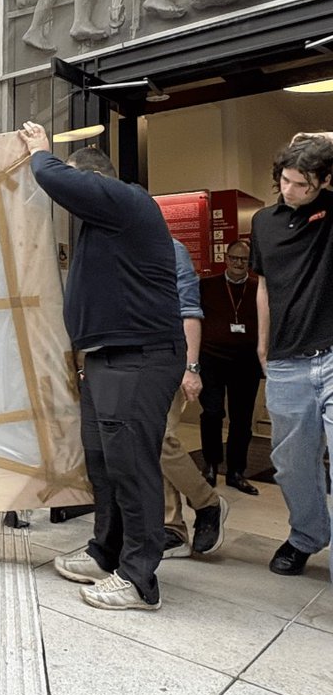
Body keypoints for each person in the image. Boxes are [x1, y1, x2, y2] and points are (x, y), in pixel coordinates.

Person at [20, 125, 184, 611]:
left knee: (131, 466)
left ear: (96, 183)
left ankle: (139, 579)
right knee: (105, 463)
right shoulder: (105, 224)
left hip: (140, 356)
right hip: (108, 357)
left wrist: (41, 153)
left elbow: (61, 181)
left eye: (79, 187)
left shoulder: (129, 201)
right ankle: (105, 552)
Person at [250, 136, 333, 578]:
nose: (291, 190)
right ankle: (307, 536)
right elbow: (264, 286)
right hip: (286, 359)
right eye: (285, 180)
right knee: (291, 464)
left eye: (303, 184)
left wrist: (326, 141)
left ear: (323, 181)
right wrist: (263, 343)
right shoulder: (263, 222)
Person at [160, 238, 229, 559]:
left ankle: (207, 502)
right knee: (148, 445)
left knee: (160, 438)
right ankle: (171, 527)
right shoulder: (117, 245)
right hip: (131, 359)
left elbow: (189, 311)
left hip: (168, 358)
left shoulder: (171, 248)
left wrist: (191, 368)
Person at [198, 239, 263, 493]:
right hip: (212, 358)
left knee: (242, 419)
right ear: (226, 258)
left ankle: (236, 471)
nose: (238, 264)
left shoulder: (258, 288)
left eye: (244, 260)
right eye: (234, 258)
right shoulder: (206, 286)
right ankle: (211, 465)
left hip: (245, 361)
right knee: (212, 412)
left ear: (250, 262)